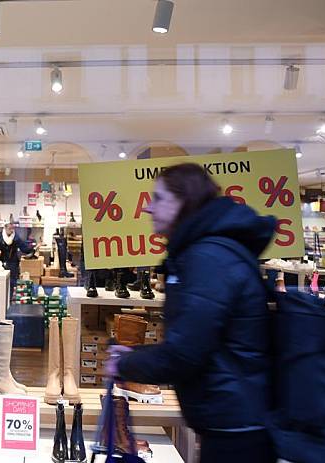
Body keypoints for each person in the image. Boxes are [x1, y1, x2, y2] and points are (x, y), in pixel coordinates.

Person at [105, 163, 276, 463]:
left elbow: (186, 354)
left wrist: (127, 363)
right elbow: (200, 340)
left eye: (158, 198)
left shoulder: (208, 258)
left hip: (235, 426)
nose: (148, 208)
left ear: (184, 201)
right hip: (234, 417)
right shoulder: (208, 251)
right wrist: (134, 354)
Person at [0, 222, 36, 300]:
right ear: (5, 228)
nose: (11, 230)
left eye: (12, 228)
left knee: (12, 283)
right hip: (2, 262)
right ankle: (1, 300)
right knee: (1, 282)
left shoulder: (15, 237)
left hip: (13, 262)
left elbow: (23, 247)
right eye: (9, 228)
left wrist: (33, 249)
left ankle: (9, 300)